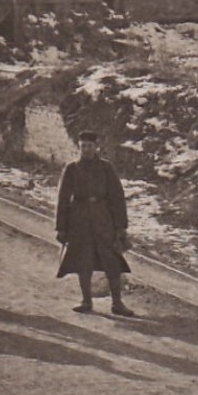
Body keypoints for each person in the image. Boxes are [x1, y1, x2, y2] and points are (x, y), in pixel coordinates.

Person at [55, 131, 135, 317]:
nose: (86, 149)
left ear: (96, 147)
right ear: (79, 147)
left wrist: (121, 226)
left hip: (103, 220)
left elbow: (117, 198)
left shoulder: (106, 168)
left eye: (90, 146)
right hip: (79, 222)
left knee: (112, 261)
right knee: (83, 262)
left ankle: (117, 303)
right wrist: (61, 227)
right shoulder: (71, 169)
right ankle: (86, 301)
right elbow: (63, 199)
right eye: (83, 146)